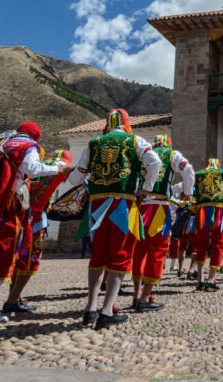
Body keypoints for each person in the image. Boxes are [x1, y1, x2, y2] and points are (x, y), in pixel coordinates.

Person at [0, 121, 72, 328]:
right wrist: (59, 168)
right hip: (7, 207)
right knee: (3, 256)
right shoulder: (27, 147)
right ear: (35, 138)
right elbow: (33, 169)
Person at [67, 108, 161, 330]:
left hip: (97, 207)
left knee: (98, 255)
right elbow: (155, 162)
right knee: (120, 255)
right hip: (123, 205)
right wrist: (146, 189)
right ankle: (107, 310)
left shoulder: (93, 143)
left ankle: (90, 308)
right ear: (127, 123)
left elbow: (74, 179)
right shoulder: (134, 140)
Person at [3, 148, 73, 314]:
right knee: (29, 261)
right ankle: (12, 301)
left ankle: (14, 297)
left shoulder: (39, 167)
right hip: (35, 220)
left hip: (20, 215)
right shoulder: (59, 169)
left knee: (18, 260)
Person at [131, 134, 194, 312]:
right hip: (158, 207)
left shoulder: (143, 154)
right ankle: (145, 298)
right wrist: (188, 192)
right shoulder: (172, 154)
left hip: (140, 206)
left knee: (139, 251)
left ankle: (136, 294)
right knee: (157, 252)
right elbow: (187, 169)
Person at [192, 158, 223, 291]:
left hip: (202, 212)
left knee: (201, 243)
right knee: (218, 244)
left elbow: (184, 187)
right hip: (219, 212)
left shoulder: (198, 174)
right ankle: (210, 279)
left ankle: (200, 279)